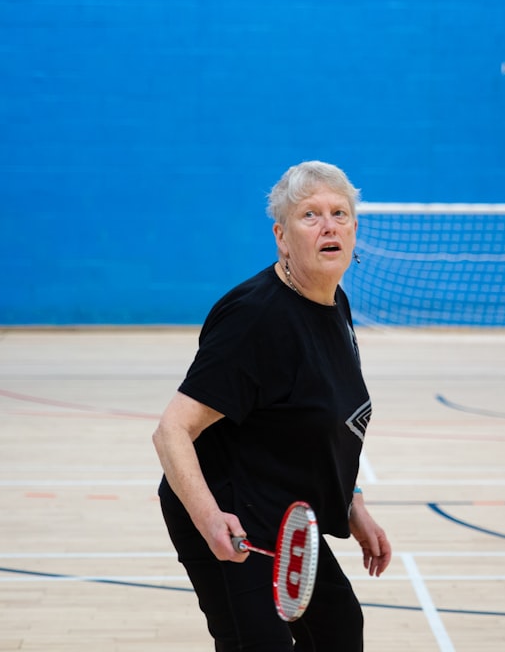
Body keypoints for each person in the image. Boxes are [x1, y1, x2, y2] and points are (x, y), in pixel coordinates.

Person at [152, 160, 391, 651]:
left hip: (286, 513)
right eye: (310, 215)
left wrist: (353, 504)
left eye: (340, 213)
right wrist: (209, 519)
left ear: (354, 229)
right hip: (230, 513)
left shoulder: (333, 302)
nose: (329, 226)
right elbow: (172, 430)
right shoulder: (255, 318)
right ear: (282, 237)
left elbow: (326, 421)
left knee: (339, 629)